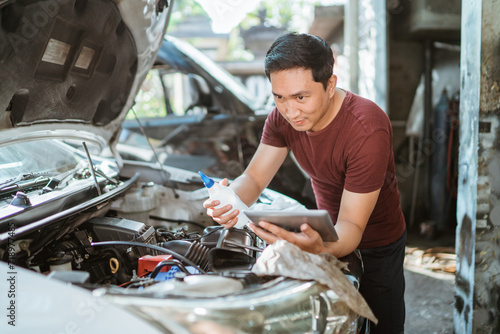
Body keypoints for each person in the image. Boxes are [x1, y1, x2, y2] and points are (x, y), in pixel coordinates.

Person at [203, 32, 406, 334]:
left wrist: (320, 247)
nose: (291, 111)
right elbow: (255, 177)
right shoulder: (282, 118)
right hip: (324, 235)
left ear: (330, 84)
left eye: (301, 97)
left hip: (376, 244)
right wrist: (229, 200)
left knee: (379, 325)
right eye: (279, 97)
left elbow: (351, 225)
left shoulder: (367, 129)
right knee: (334, 322)